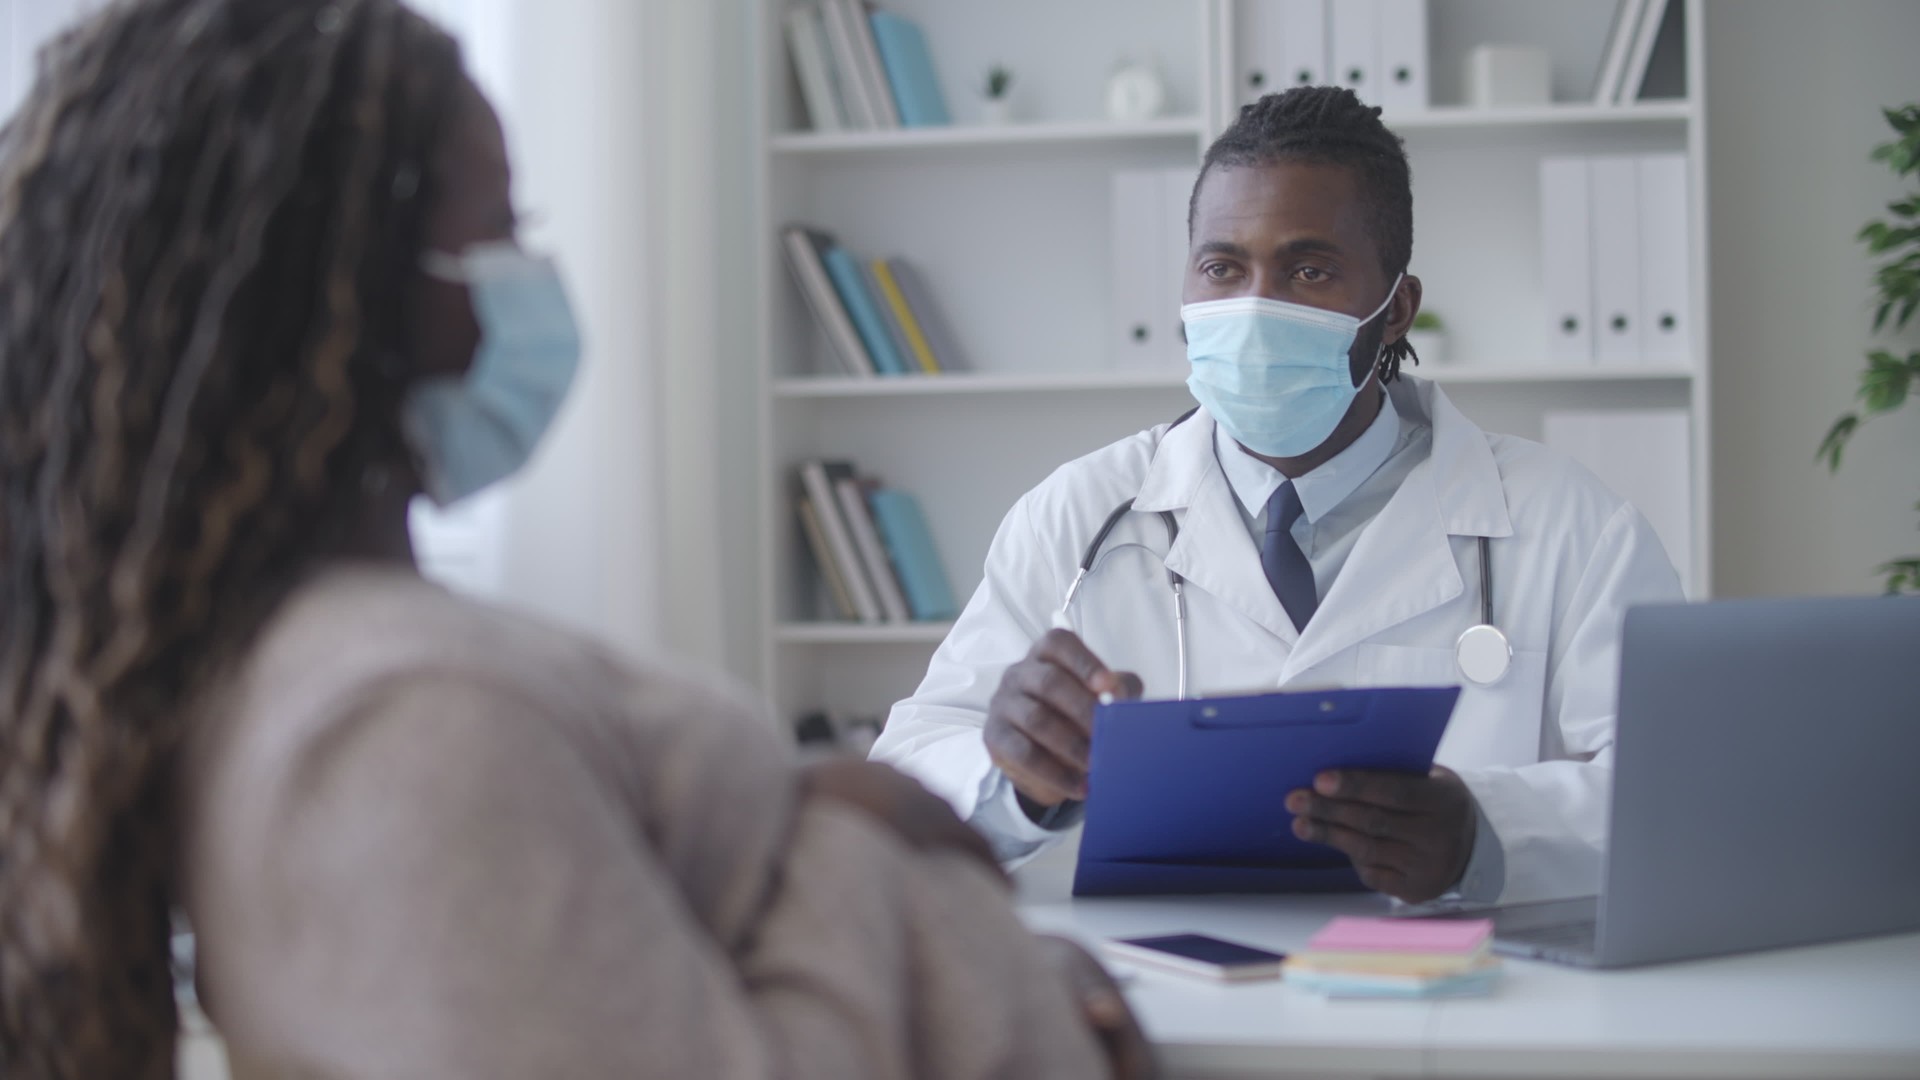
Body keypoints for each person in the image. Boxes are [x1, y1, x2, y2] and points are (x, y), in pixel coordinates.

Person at [0, 2, 1149, 1078]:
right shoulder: (400, 719)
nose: (534, 278)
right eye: (503, 232)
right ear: (343, 288)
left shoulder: (304, 659)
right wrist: (863, 827)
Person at [871, 86, 1683, 907]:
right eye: (1222, 267)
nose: (1254, 308)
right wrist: (1015, 777)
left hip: (1450, 1006)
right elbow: (903, 777)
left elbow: (1678, 801)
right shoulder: (1077, 515)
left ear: (1396, 307)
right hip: (1166, 1001)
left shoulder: (1572, 526)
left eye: (1309, 269)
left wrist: (1485, 833)